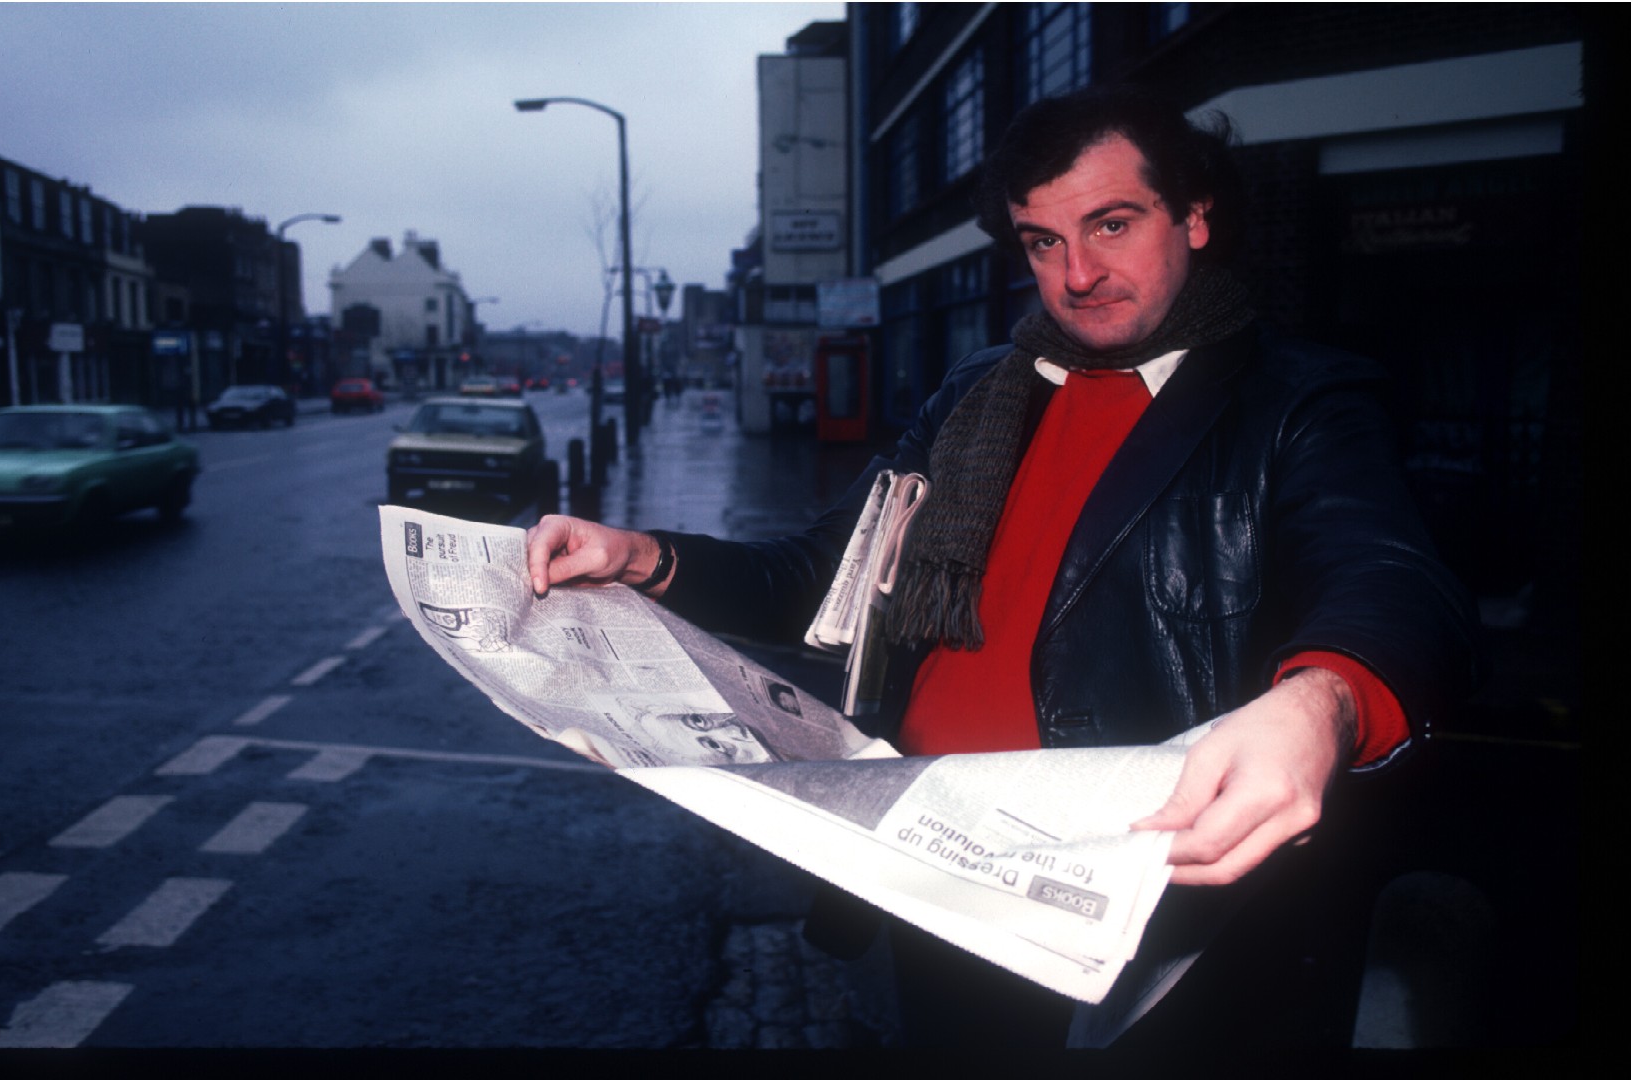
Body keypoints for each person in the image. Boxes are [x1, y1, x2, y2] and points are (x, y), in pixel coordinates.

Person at [525, 84, 1479, 1045]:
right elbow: (827, 575)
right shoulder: (976, 391)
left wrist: (1322, 704)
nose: (1078, 273)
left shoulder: (1299, 402)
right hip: (929, 863)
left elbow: (1392, 580)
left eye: (1112, 224)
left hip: (1139, 893)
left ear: (1194, 216)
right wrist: (641, 555)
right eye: (1043, 241)